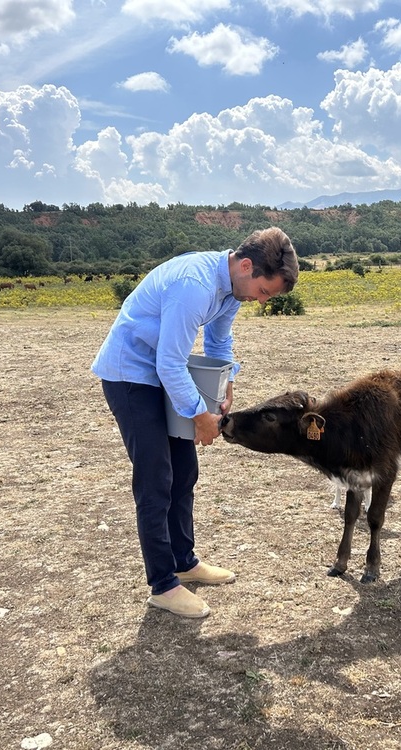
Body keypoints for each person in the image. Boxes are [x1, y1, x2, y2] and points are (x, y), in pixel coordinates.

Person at [92, 227, 299, 619]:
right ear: (246, 265)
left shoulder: (232, 290)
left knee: (184, 471)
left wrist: (226, 384)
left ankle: (183, 560)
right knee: (156, 478)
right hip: (130, 376)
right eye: (264, 291)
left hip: (162, 375)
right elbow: (170, 362)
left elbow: (219, 343)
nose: (261, 299)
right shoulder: (195, 285)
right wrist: (201, 417)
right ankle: (163, 586)